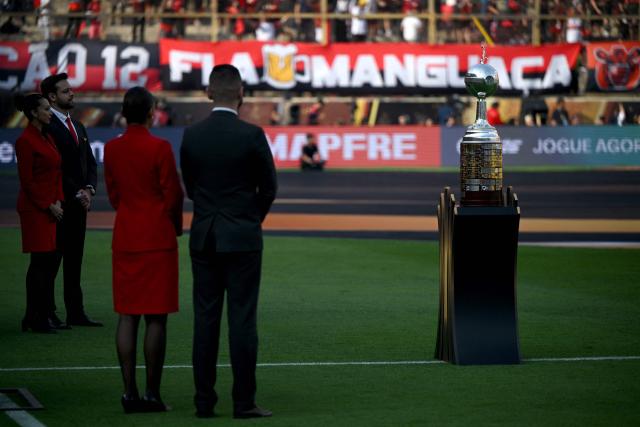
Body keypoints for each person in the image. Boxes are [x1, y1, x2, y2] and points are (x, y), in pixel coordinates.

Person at [180, 64, 277, 419]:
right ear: (241, 94)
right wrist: (250, 219)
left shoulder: (192, 135)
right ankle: (243, 402)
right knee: (242, 320)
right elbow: (269, 188)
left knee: (205, 321)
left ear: (208, 93)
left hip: (204, 236)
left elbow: (190, 187)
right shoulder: (252, 134)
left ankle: (203, 402)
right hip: (243, 238)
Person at [104, 87, 184, 413]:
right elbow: (174, 194)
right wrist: (174, 226)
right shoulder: (160, 147)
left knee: (127, 314)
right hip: (157, 238)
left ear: (124, 112)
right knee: (156, 318)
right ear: (152, 112)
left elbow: (113, 193)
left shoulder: (112, 148)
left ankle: (128, 392)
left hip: (126, 235)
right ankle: (152, 393)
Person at [40, 73, 101, 328]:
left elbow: (89, 163)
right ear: (52, 97)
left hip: (78, 204)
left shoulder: (79, 126)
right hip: (59, 206)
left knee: (74, 261)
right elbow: (54, 168)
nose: (71, 93)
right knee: (52, 262)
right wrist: (78, 192)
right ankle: (47, 312)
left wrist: (89, 189)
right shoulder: (47, 127)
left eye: (70, 89)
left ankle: (76, 312)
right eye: (65, 91)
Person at [15, 93, 64, 334]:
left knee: (46, 262)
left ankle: (36, 315)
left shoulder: (48, 138)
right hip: (35, 210)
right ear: (34, 112)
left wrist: (58, 200)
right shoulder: (26, 140)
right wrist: (49, 204)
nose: (49, 111)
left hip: (49, 207)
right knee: (40, 263)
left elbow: (55, 173)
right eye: (46, 108)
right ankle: (37, 317)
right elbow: (27, 181)